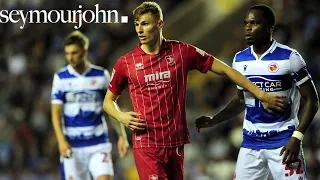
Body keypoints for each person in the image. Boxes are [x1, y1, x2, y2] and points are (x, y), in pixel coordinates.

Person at [103, 2, 287, 180]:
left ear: (159, 24)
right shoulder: (125, 63)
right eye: (137, 25)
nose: (140, 30)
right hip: (147, 144)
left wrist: (262, 94)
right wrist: (121, 117)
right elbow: (108, 101)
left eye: (145, 24)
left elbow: (225, 70)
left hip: (175, 143)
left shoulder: (182, 52)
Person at [195, 4, 319, 180]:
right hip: (251, 144)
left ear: (269, 27)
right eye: (246, 23)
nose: (247, 28)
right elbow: (241, 100)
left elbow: (312, 101)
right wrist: (215, 119)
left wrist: (297, 137)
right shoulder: (239, 59)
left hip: (284, 143)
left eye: (254, 23)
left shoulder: (290, 57)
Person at [51, 30, 129, 180]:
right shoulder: (60, 78)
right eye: (67, 53)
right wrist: (61, 141)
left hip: (98, 143)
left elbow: (110, 108)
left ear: (84, 51)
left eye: (74, 53)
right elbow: (55, 113)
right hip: (73, 146)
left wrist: (122, 135)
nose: (70, 57)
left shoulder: (101, 75)